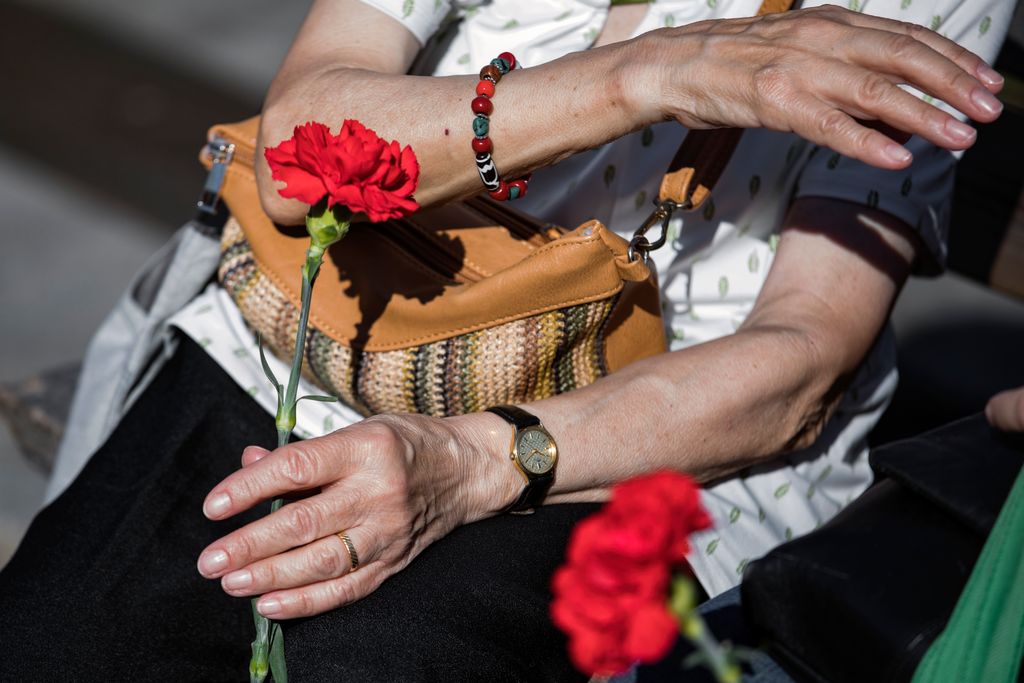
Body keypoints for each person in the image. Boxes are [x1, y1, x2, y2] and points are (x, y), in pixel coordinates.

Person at [0, 1, 1013, 681]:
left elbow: (800, 359)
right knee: (53, 641)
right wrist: (646, 76)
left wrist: (475, 458)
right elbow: (302, 147)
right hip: (309, 337)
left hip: (626, 443)